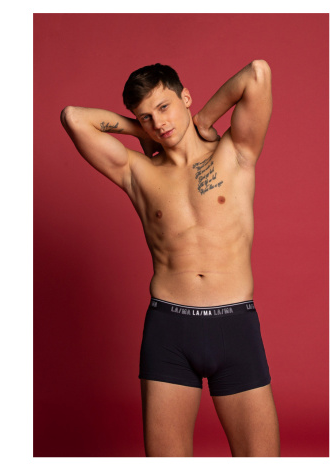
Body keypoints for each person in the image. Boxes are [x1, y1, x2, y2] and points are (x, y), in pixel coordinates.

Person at [60, 61, 280, 457]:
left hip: (234, 327)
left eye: (164, 107)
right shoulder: (138, 171)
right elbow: (73, 118)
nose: (159, 123)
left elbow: (258, 73)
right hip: (169, 331)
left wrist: (204, 120)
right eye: (146, 116)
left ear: (186, 97)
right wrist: (139, 130)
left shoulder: (235, 152)